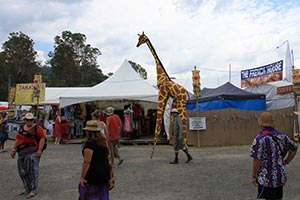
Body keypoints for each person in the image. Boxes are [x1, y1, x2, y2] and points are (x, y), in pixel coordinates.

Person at [249, 111, 298, 200]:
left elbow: (257, 160)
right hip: (280, 177)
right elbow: (294, 148)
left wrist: (254, 176)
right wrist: (286, 161)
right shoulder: (283, 136)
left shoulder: (260, 139)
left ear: (260, 124)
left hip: (266, 179)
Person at [10, 112, 46, 199]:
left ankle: (33, 190)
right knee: (22, 172)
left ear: (32, 120)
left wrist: (39, 150)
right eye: (27, 119)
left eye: (30, 120)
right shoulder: (22, 128)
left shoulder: (37, 128)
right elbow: (18, 139)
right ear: (25, 120)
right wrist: (14, 149)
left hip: (32, 152)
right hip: (21, 152)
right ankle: (27, 188)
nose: (29, 121)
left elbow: (42, 138)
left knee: (32, 171)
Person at [78, 120, 114, 200]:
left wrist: (82, 177)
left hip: (93, 175)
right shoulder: (103, 142)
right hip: (104, 173)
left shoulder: (90, 144)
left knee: (91, 196)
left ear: (88, 132)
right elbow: (108, 159)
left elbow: (87, 162)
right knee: (103, 195)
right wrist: (111, 173)